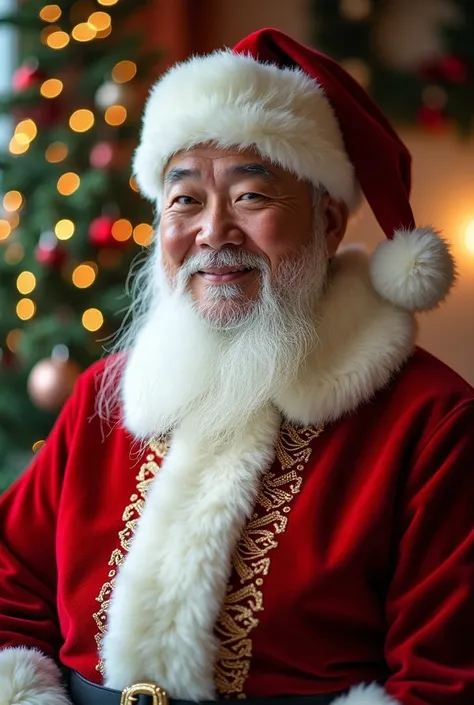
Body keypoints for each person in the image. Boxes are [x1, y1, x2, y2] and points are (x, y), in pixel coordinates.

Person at [0, 26, 472, 705]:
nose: (212, 232)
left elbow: (445, 679)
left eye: (251, 197)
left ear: (329, 223)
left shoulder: (431, 421)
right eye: (185, 199)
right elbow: (10, 575)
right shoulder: (107, 394)